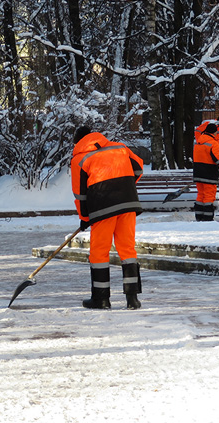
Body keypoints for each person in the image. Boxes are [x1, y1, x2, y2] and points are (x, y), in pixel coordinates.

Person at [70, 126, 144, 310]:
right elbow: (139, 168)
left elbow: (80, 194)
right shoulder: (120, 148)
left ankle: (101, 299)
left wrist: (85, 216)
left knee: (99, 252)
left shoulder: (80, 159)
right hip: (127, 204)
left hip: (102, 208)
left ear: (78, 142)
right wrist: (122, 186)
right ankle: (132, 299)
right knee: (127, 249)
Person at [193, 123, 219, 221]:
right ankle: (208, 218)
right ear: (214, 132)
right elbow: (218, 158)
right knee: (209, 195)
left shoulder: (198, 142)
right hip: (209, 173)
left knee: (201, 195)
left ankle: (199, 216)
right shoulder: (213, 143)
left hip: (198, 173)